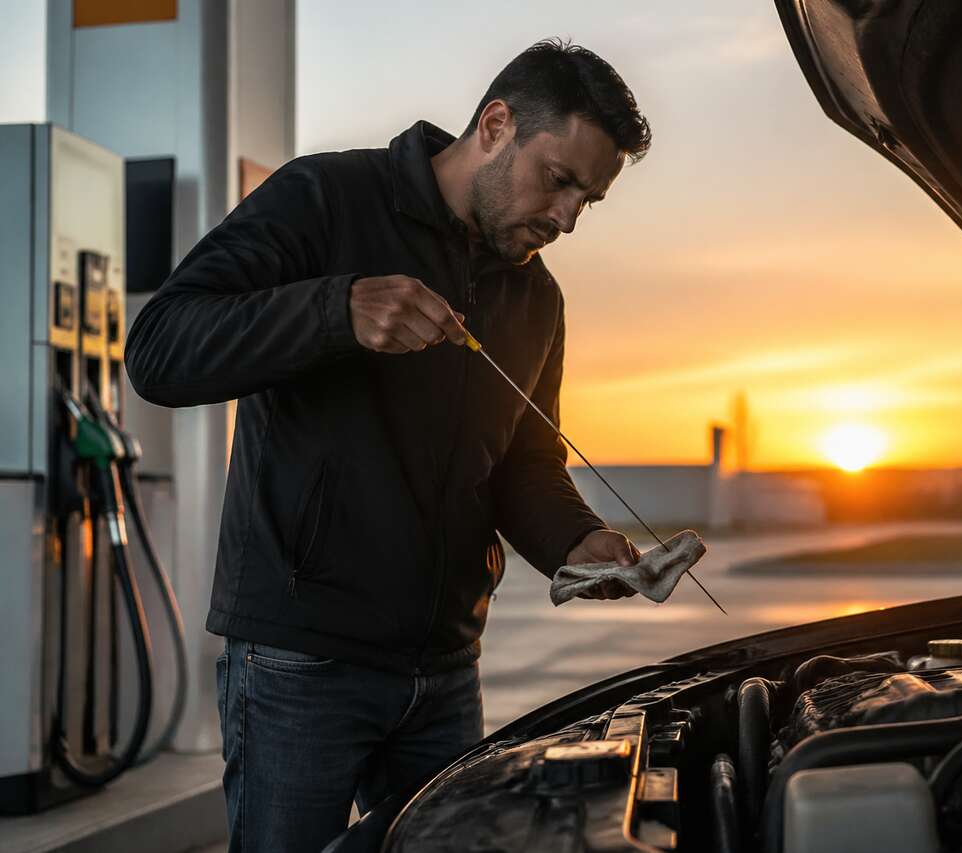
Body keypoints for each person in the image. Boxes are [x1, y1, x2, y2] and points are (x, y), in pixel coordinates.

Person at [124, 38, 651, 852]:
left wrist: (578, 541)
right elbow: (158, 348)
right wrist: (337, 310)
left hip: (444, 671)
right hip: (303, 662)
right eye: (560, 179)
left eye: (591, 199)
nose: (568, 217)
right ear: (496, 125)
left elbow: (526, 464)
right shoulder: (325, 198)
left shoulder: (536, 299)